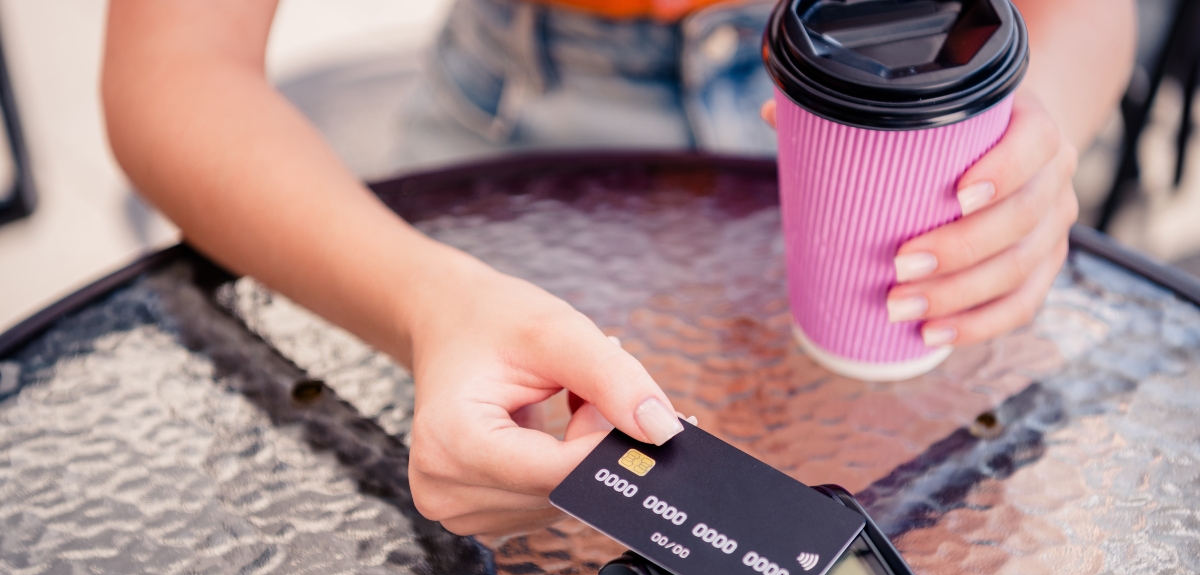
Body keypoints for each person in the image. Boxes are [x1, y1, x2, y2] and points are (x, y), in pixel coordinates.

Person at [102, 0, 1134, 535]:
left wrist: (1029, 149)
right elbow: (174, 66)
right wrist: (429, 304)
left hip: (917, 103)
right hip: (531, 119)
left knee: (933, 554)